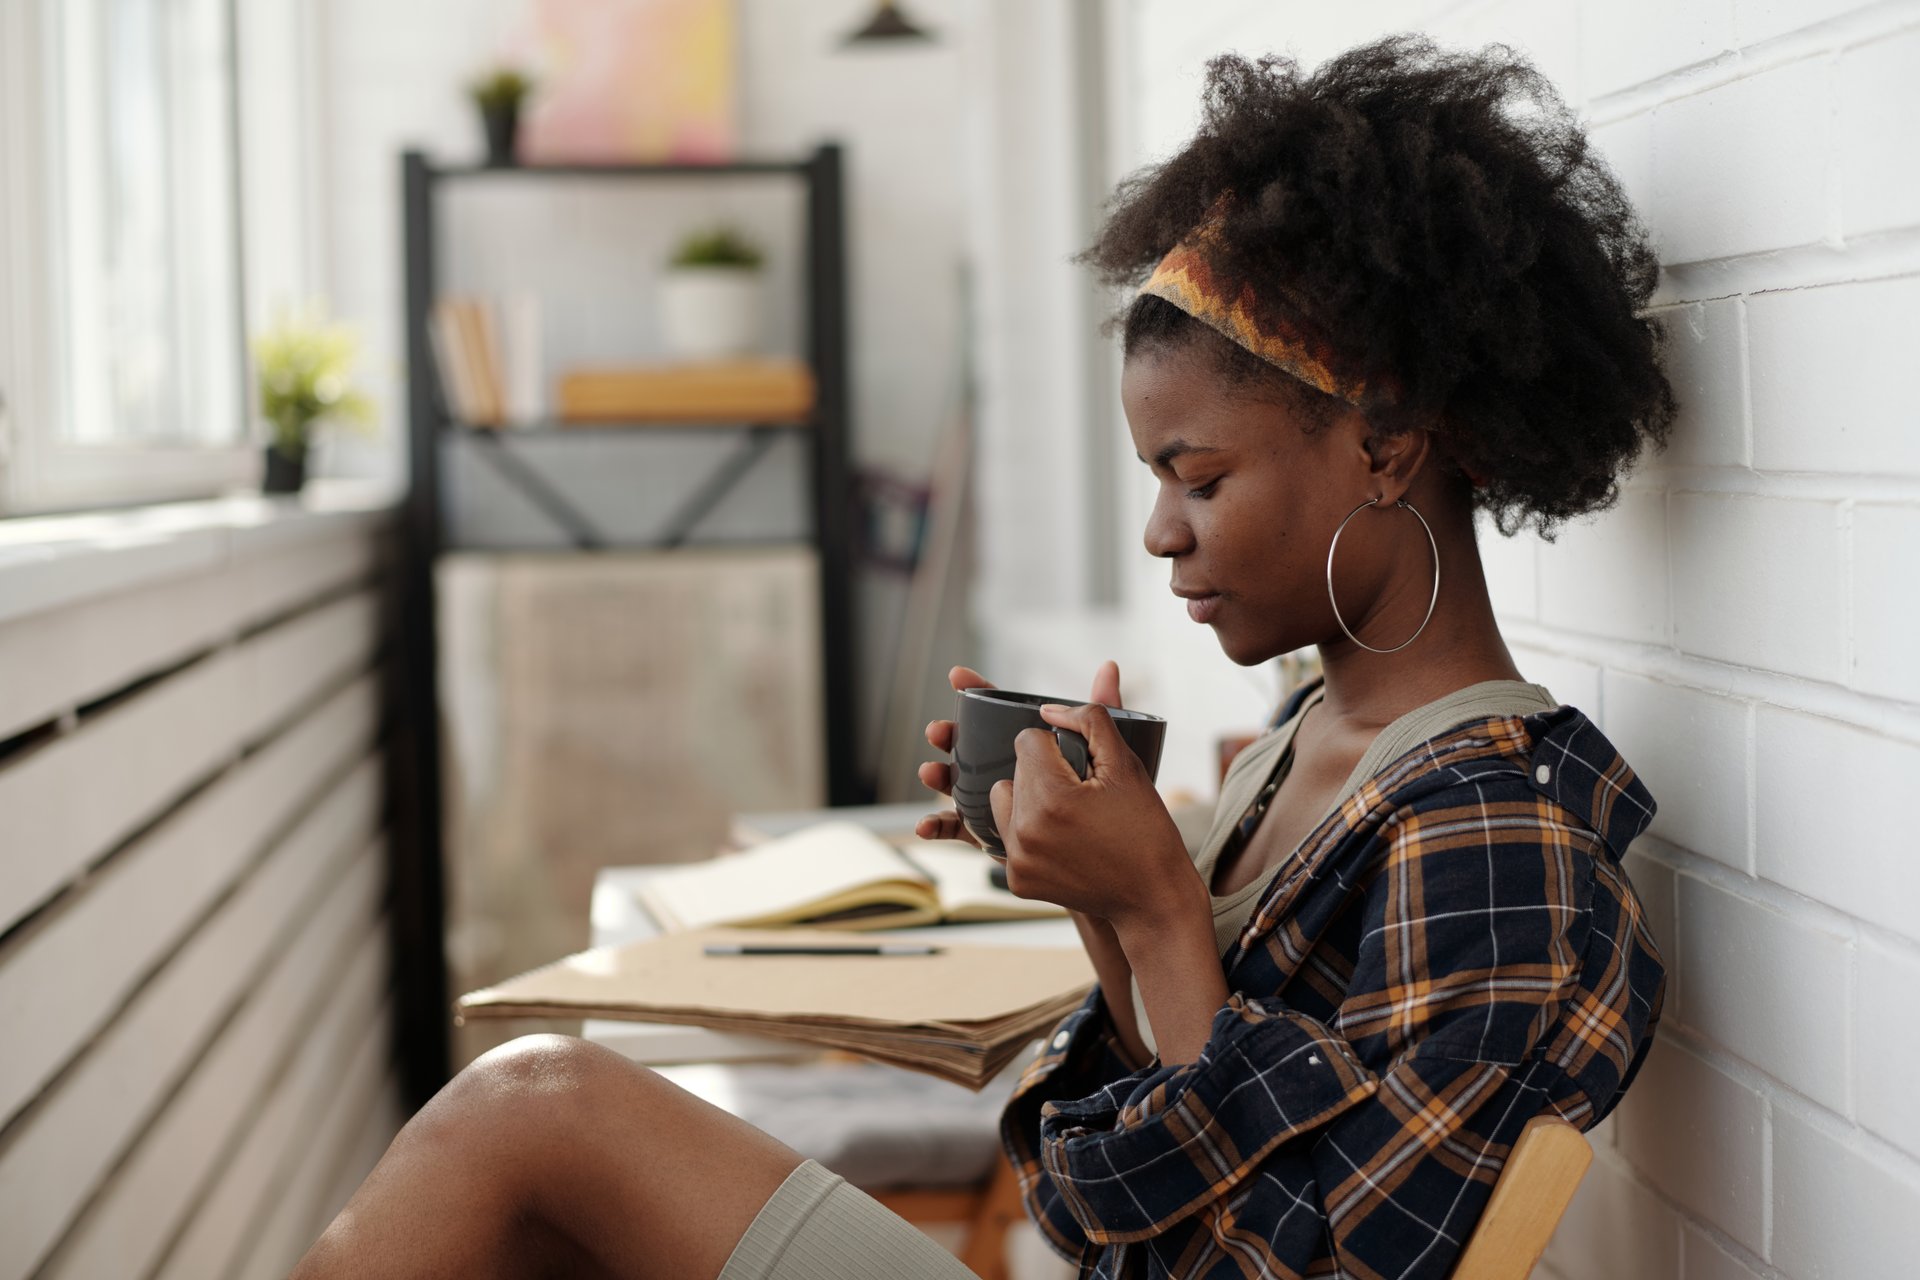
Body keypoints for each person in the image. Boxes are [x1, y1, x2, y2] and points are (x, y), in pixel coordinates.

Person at [293, 35, 1673, 1280]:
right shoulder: (1303, 740)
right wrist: (1089, 887)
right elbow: (1089, 1193)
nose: (1159, 534)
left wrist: (1157, 914)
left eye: (1199, 477)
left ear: (1384, 447)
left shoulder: (1494, 835)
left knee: (535, 1110)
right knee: (536, 1163)